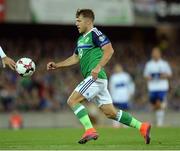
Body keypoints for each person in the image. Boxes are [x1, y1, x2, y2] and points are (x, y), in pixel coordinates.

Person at [47, 9, 151, 144]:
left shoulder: (95, 33)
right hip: (96, 80)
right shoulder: (80, 39)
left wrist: (98, 67)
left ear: (88, 21)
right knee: (111, 113)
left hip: (95, 77)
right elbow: (75, 58)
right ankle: (142, 126)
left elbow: (109, 50)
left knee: (72, 100)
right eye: (76, 21)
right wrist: (57, 65)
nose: (76, 24)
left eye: (79, 21)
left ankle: (89, 129)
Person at [144, 47, 172, 127]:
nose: (155, 54)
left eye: (156, 52)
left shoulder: (164, 64)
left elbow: (169, 74)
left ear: (160, 54)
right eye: (154, 53)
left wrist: (164, 76)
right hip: (152, 88)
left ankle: (160, 123)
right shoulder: (149, 64)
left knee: (158, 103)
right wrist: (148, 77)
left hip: (162, 87)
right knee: (154, 106)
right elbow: (145, 75)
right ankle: (161, 109)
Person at [109, 63, 135, 127]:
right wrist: (112, 96)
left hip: (125, 97)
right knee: (116, 111)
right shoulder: (113, 77)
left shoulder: (126, 76)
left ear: (121, 68)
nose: (117, 69)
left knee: (125, 111)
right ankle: (116, 125)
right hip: (116, 97)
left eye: (119, 67)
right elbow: (111, 87)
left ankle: (126, 124)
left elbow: (131, 85)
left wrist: (131, 93)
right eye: (116, 68)